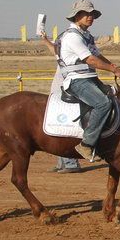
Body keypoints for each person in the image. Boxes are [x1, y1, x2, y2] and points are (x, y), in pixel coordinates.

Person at [56, 0, 120, 162]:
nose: (91, 17)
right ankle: (86, 144)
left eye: (92, 14)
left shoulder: (86, 36)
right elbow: (91, 60)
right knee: (103, 103)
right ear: (76, 16)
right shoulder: (72, 37)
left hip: (90, 78)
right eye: (87, 14)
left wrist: (113, 66)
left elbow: (98, 56)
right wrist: (113, 70)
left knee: (116, 96)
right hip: (77, 81)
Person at [40, 32, 83, 173]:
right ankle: (62, 162)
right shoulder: (62, 54)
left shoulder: (71, 57)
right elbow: (54, 50)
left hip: (67, 95)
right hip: (58, 95)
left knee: (65, 128)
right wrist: (45, 40)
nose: (57, 46)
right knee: (57, 128)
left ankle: (71, 163)